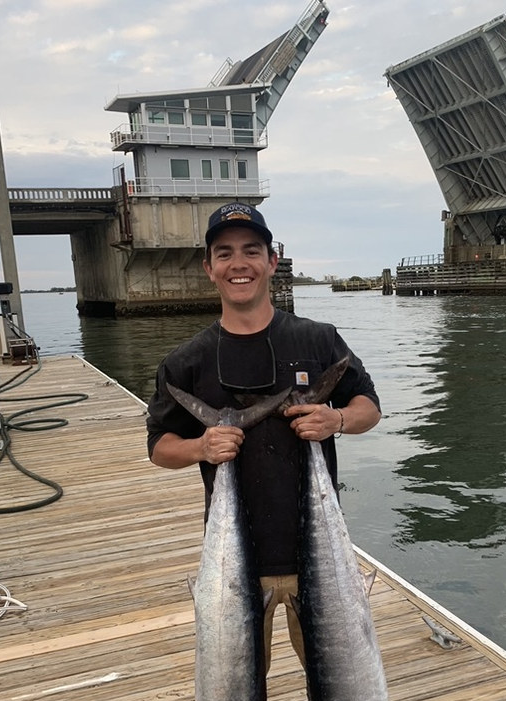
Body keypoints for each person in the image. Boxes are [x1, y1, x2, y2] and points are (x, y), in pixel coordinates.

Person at [146, 201, 382, 671]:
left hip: (319, 560)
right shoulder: (185, 362)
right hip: (233, 566)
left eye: (251, 251)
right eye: (225, 253)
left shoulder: (319, 340)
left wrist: (335, 420)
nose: (239, 264)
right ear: (209, 268)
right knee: (234, 694)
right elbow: (159, 447)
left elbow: (369, 408)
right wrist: (201, 447)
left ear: (272, 262)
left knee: (339, 687)